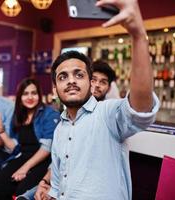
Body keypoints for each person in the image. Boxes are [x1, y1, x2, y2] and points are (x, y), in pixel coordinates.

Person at [48, 0, 160, 199]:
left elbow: (141, 109)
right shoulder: (59, 130)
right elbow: (58, 185)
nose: (71, 80)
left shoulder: (107, 114)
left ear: (91, 84)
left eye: (79, 74)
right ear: (55, 89)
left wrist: (138, 36)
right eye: (62, 77)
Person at [20, 60, 117, 200]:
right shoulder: (66, 120)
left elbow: (138, 110)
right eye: (93, 80)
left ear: (108, 87)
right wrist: (45, 182)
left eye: (103, 82)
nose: (96, 85)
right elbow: (59, 161)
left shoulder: (109, 115)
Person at [0, 78, 60, 199]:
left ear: (39, 95)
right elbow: (14, 147)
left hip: (43, 160)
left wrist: (24, 168)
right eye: (25, 94)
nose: (30, 97)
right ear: (20, 97)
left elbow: (47, 148)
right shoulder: (18, 115)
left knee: (22, 192)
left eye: (34, 93)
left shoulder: (49, 114)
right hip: (22, 156)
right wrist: (1, 131)